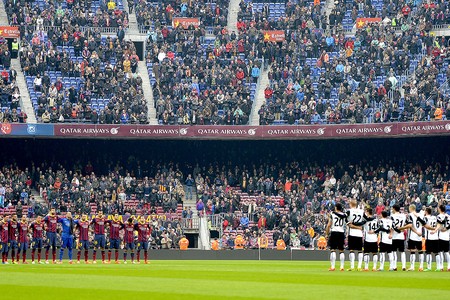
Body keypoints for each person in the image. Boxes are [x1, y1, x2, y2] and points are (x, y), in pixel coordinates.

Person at [326, 203, 347, 271]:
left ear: (336, 208)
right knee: (341, 250)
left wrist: (327, 234)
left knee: (333, 250)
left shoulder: (332, 214)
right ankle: (342, 267)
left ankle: (333, 266)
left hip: (334, 232)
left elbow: (329, 225)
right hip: (341, 232)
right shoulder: (344, 215)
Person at [405, 204, 425, 271]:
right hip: (419, 235)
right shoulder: (421, 215)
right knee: (420, 251)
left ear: (410, 208)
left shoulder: (410, 215)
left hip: (413, 235)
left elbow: (410, 226)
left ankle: (412, 267)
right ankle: (421, 266)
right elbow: (423, 224)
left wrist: (416, 232)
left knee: (412, 251)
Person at [346, 199, 364, 271]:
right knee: (360, 250)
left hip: (352, 233)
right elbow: (365, 220)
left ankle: (352, 266)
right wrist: (360, 226)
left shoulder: (349, 211)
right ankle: (359, 267)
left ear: (350, 204)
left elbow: (345, 220)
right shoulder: (361, 211)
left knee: (351, 250)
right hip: (359, 233)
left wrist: (351, 225)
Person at [391, 204, 407, 271]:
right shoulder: (403, 216)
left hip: (395, 236)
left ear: (394, 209)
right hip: (401, 236)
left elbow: (392, 226)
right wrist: (402, 228)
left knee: (394, 251)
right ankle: (404, 266)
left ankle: (394, 266)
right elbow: (407, 224)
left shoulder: (392, 216)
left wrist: (397, 230)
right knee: (402, 252)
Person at [436, 204, 450, 271]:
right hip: (447, 236)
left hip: (441, 236)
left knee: (440, 252)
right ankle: (448, 266)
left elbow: (439, 225)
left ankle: (441, 266)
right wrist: (447, 228)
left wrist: (442, 228)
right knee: (447, 252)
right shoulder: (448, 216)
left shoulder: (438, 216)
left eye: (438, 208)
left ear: (440, 209)